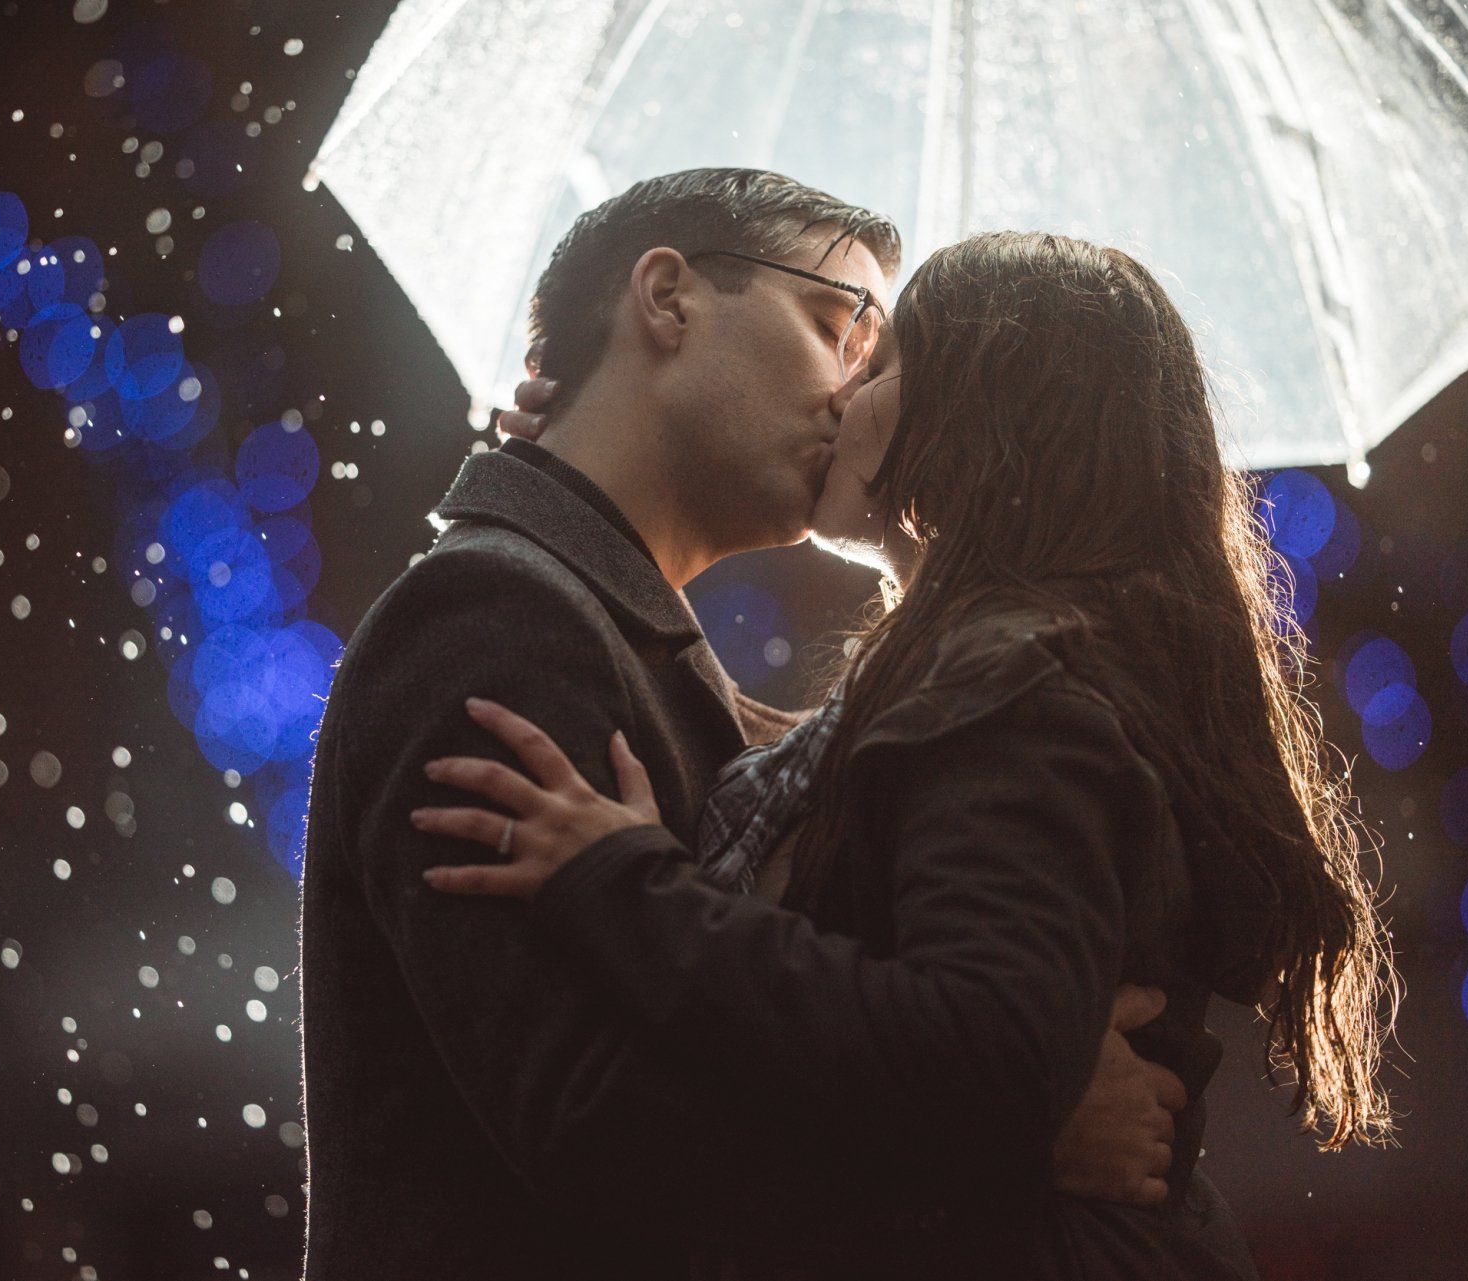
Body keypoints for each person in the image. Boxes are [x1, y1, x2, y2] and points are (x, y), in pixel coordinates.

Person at [413, 230, 1400, 1277]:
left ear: (983, 416)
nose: (840, 398)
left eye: (877, 364)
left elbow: (977, 1054)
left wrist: (629, 890)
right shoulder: (988, 686)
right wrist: (578, 470)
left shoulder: (1015, 704)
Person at [298, 173, 1187, 1281]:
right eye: (835, 326)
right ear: (666, 300)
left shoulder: (622, 636)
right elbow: (605, 1127)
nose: (857, 398)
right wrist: (1017, 1139)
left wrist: (1013, 1062)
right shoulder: (489, 618)